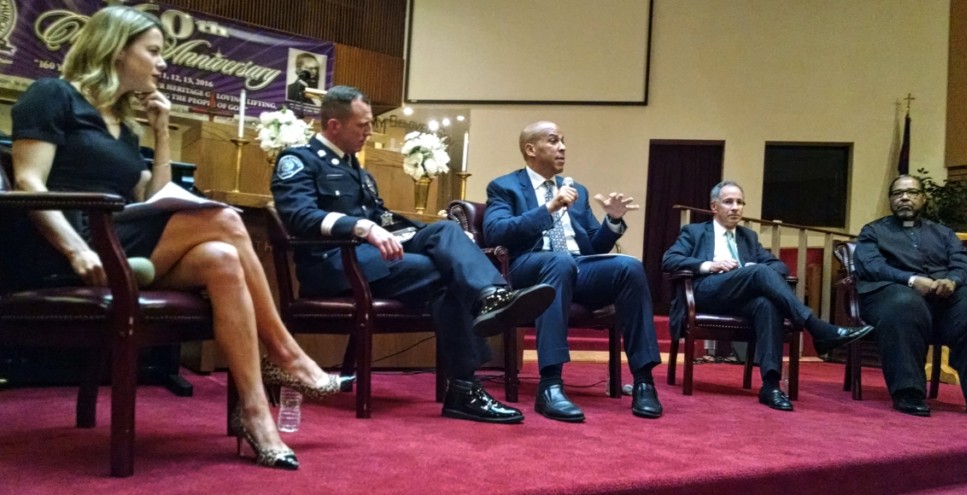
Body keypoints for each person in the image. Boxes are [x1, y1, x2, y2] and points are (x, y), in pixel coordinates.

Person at [4, 6, 352, 470]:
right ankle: (288, 356)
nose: (162, 63)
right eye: (152, 52)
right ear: (115, 49)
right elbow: (29, 182)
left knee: (222, 257)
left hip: (117, 237)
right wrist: (76, 248)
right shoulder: (53, 96)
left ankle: (255, 413)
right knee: (226, 221)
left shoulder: (122, 124)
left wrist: (163, 132)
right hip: (63, 247)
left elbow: (152, 197)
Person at [270, 86, 556, 424]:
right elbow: (299, 216)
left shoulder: (357, 171)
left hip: (372, 262)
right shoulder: (299, 160)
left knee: (447, 234)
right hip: (333, 265)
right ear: (334, 125)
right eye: (362, 125)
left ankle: (491, 299)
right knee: (446, 272)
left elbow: (386, 219)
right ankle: (466, 382)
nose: (369, 132)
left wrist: (445, 236)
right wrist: (361, 227)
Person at [483, 121, 663, 422]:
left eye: (563, 141)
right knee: (559, 261)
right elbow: (495, 233)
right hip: (530, 266)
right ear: (531, 149)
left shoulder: (575, 189)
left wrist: (613, 222)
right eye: (554, 141)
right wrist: (549, 208)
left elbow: (593, 248)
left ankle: (644, 380)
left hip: (576, 266)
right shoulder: (505, 187)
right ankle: (550, 384)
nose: (563, 147)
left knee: (629, 266)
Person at [662, 180, 873, 411]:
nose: (736, 207)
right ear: (714, 206)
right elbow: (670, 260)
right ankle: (816, 327)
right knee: (758, 271)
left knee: (766, 303)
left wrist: (752, 268)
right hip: (705, 291)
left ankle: (770, 386)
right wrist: (709, 265)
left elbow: (779, 267)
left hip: (740, 298)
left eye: (740, 202)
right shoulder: (694, 231)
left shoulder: (748, 237)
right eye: (728, 202)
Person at [853, 175, 967, 420]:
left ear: (923, 198)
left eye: (912, 192)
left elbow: (966, 263)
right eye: (898, 194)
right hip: (893, 295)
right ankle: (908, 392)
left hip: (944, 300)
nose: (904, 197)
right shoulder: (874, 231)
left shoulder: (943, 233)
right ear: (891, 200)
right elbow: (871, 267)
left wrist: (953, 281)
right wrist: (912, 280)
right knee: (905, 302)